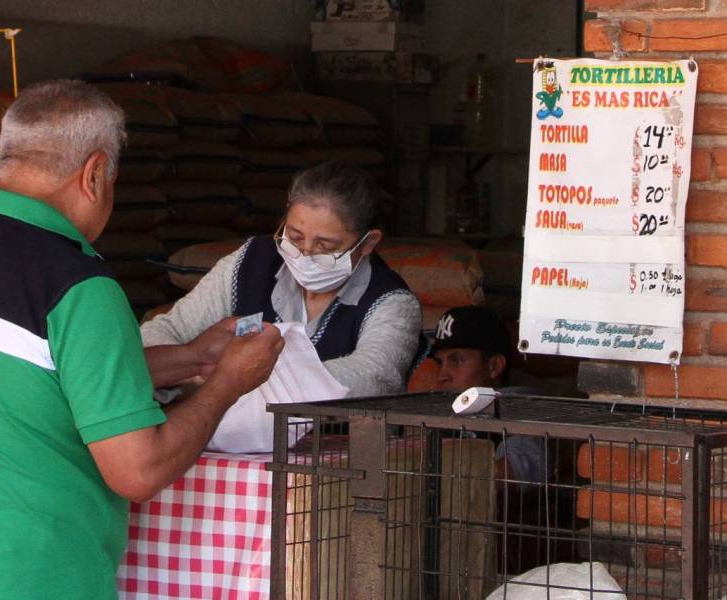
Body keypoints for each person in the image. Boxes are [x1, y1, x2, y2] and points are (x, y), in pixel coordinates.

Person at [0, 80, 284, 600]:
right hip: (25, 579)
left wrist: (192, 357)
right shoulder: (78, 283)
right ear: (93, 175)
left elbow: (28, 376)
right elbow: (139, 470)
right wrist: (227, 382)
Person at [142, 162, 422, 396]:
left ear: (368, 243)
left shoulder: (390, 302)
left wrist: (237, 377)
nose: (305, 254)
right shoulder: (251, 263)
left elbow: (373, 377)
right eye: (295, 237)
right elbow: (165, 332)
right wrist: (193, 363)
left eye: (325, 246)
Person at [429, 305, 545, 486]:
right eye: (440, 363)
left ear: (494, 366)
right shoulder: (440, 409)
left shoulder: (520, 411)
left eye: (456, 360)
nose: (442, 375)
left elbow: (516, 474)